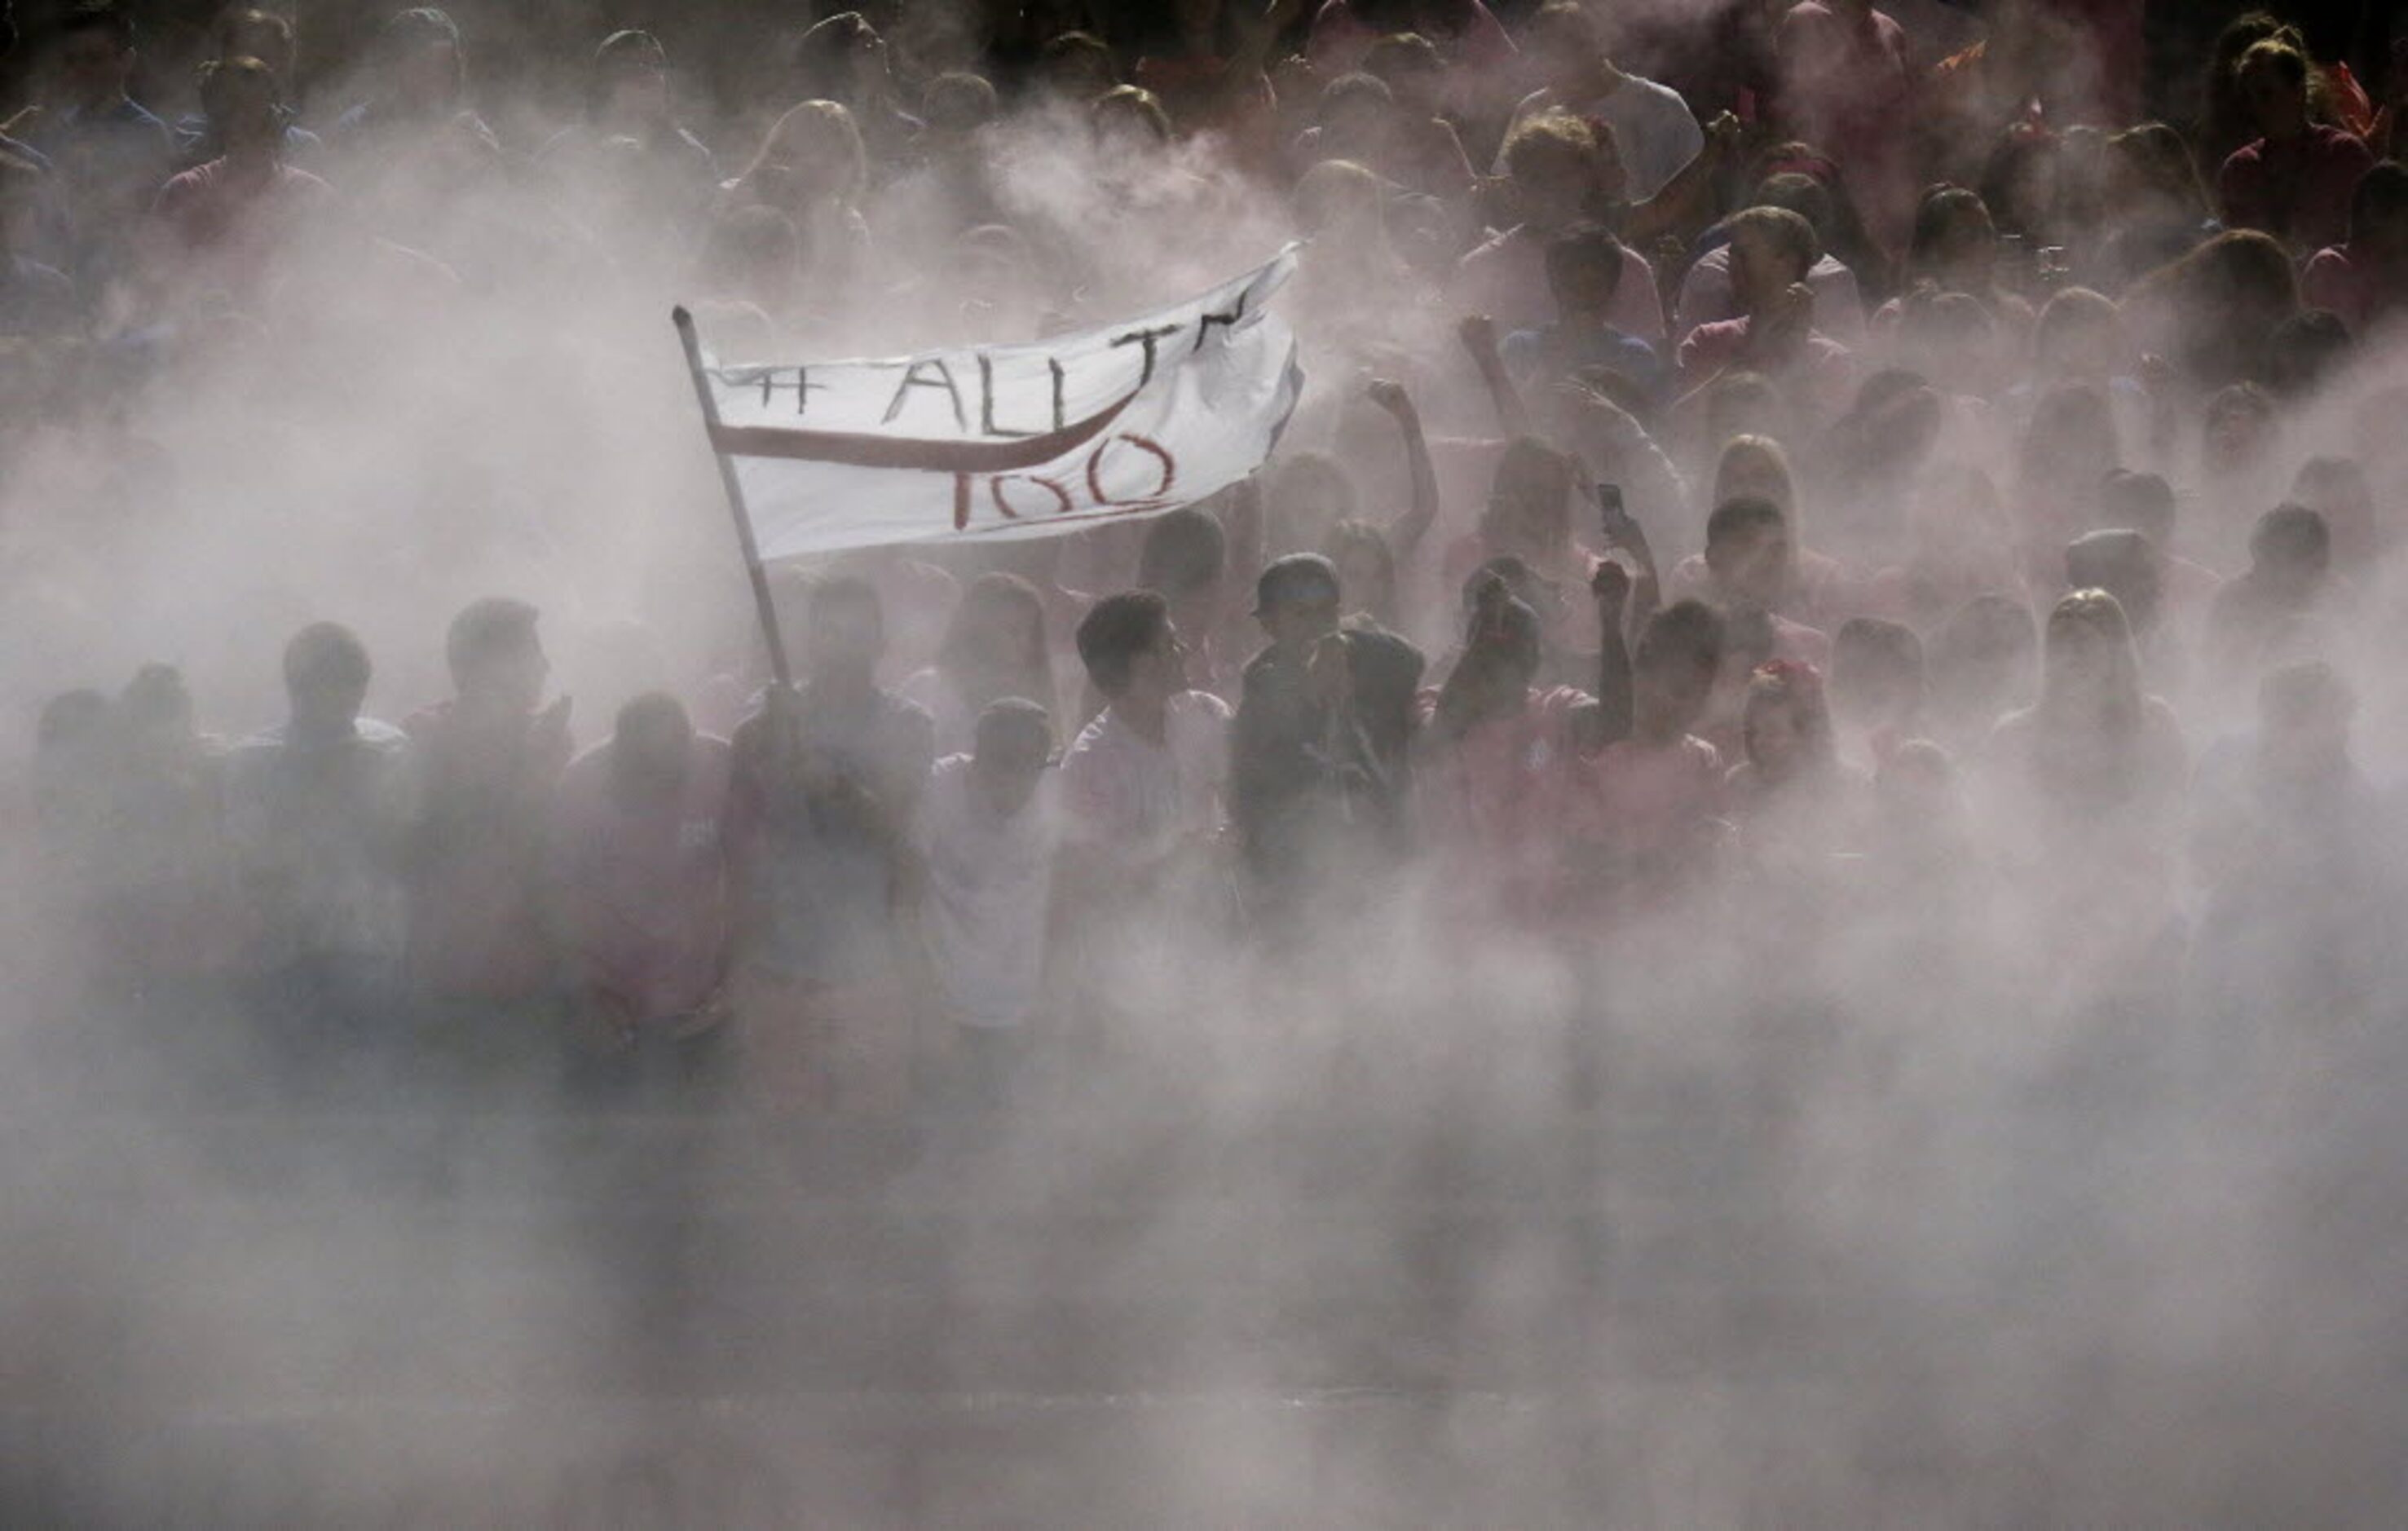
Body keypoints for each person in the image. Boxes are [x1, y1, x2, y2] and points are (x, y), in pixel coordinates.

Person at [729, 576, 934, 1114]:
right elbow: (735, 801)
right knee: (787, 1127)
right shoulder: (773, 715)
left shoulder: (907, 723)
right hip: (782, 962)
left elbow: (899, 830)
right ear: (809, 640)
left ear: (880, 642)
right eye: (828, 632)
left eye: (856, 632)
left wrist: (837, 786)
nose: (841, 645)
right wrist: (765, 731)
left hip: (868, 966)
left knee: (872, 1128)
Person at [224, 623, 412, 1077]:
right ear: (299, 692)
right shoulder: (256, 763)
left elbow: (407, 850)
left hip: (371, 956)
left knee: (371, 1096)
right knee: (290, 1095)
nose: (348, 709)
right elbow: (250, 864)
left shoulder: (389, 751)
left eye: (356, 695)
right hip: (286, 964)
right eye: (336, 694)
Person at [400, 598, 573, 1075]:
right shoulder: (427, 736)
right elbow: (436, 840)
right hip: (449, 976)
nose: (546, 665)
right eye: (533, 652)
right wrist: (532, 768)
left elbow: (561, 861)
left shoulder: (550, 738)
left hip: (533, 974)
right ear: (487, 667)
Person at [545, 692, 733, 1101]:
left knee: (701, 1148)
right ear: (620, 753)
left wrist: (739, 980)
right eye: (645, 771)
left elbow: (753, 877)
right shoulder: (580, 787)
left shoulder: (720, 768)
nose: (659, 784)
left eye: (671, 768)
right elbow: (555, 898)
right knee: (607, 1144)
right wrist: (583, 995)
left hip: (701, 1009)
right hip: (609, 1008)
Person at [1230, 552, 1424, 920]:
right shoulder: (1262, 702)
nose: (1317, 626)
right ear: (1269, 624)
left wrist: (1350, 646)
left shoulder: (1370, 672)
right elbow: (1251, 809)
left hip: (1381, 884)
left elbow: (1411, 662)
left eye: (1327, 611)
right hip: (1298, 896)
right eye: (1300, 614)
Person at [911, 697, 1061, 1110]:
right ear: (977, 756)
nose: (1011, 778)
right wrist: (923, 998)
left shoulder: (1058, 795)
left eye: (1026, 765)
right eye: (1000, 762)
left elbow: (1071, 898)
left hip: (1020, 1012)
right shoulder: (937, 788)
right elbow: (904, 895)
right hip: (945, 1008)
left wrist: (1054, 995)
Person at [20, 2, 174, 296]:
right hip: (53, 276)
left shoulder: (146, 132)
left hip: (117, 284)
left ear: (126, 61)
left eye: (94, 59)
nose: (81, 70)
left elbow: (147, 220)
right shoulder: (53, 128)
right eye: (72, 60)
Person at [148, 56, 333, 296]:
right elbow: (154, 281)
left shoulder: (310, 194)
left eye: (257, 108)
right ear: (216, 121)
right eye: (232, 110)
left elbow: (342, 275)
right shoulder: (186, 192)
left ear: (278, 116)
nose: (246, 120)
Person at [1497, 2, 1702, 202]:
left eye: (1565, 51)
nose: (1556, 69)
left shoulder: (1661, 105)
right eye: (1546, 57)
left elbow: (1700, 193)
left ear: (1598, 45)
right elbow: (1510, 190)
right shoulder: (1533, 111)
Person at [2215, 38, 2373, 255]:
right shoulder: (2240, 169)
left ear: (2299, 91)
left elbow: (2374, 247)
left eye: (2266, 94)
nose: (2255, 108)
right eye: (2247, 98)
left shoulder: (2342, 156)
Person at [1498, 223, 1667, 404]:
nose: (1583, 296)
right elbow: (1504, 418)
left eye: (1593, 285)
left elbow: (1653, 424)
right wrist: (1549, 365)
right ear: (1555, 287)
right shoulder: (1521, 348)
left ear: (1611, 289)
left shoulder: (1634, 356)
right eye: (1572, 285)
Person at [902, 571, 1058, 757]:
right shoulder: (930, 689)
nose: (1024, 643)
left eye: (1031, 632)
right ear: (977, 630)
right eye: (1013, 630)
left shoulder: (1034, 699)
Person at [2205, 504, 2333, 684]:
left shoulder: (2335, 597)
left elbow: (2357, 664)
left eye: (2317, 565)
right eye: (2262, 561)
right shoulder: (2234, 601)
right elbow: (2215, 674)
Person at [2299, 160, 2408, 338]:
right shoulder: (2332, 266)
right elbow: (2341, 345)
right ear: (2374, 214)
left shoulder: (2399, 268)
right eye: (2405, 219)